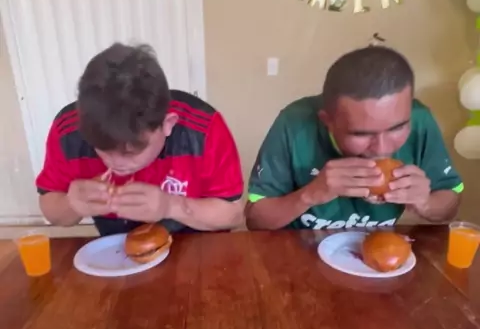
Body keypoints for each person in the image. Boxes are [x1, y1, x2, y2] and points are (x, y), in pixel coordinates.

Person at [246, 45, 463, 232]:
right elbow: (256, 219)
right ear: (327, 120)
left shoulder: (420, 120)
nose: (382, 148)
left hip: (377, 251)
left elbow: (450, 202)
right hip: (296, 251)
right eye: (361, 134)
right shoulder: (295, 122)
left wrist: (425, 203)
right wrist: (309, 195)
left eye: (398, 128)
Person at [36, 43, 244, 235]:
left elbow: (233, 214)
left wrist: (171, 206)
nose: (116, 163)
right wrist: (71, 204)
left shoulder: (203, 128)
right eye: (103, 149)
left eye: (132, 151)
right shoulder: (69, 129)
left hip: (195, 241)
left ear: (168, 124)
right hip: (117, 245)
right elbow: (50, 208)